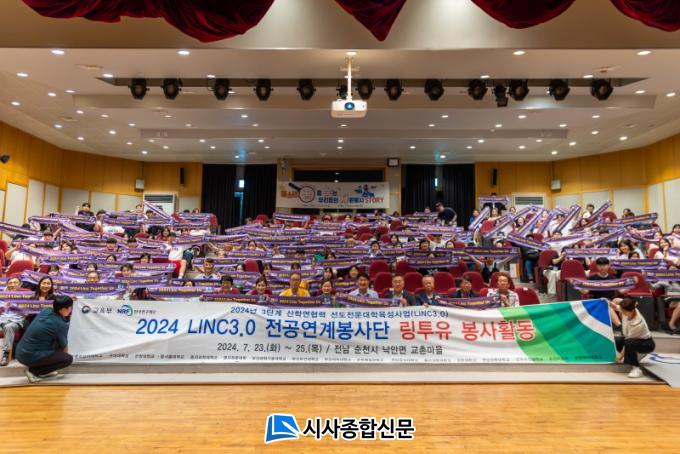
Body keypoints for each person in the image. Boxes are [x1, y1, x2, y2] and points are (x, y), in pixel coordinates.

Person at [15, 295, 74, 383]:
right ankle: (33, 371)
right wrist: (61, 357)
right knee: (67, 359)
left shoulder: (46, 310)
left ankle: (43, 371)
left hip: (20, 352)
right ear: (62, 309)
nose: (71, 310)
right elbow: (64, 346)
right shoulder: (60, 324)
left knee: (56, 343)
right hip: (29, 356)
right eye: (70, 308)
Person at [613, 298, 655, 378]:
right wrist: (606, 301)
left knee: (629, 343)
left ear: (631, 310)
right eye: (621, 310)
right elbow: (615, 307)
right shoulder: (628, 310)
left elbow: (627, 342)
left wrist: (620, 356)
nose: (622, 312)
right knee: (615, 340)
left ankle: (636, 368)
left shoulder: (637, 323)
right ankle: (631, 356)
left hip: (646, 343)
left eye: (623, 311)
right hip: (634, 340)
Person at [0, 278, 27, 366]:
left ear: (20, 285)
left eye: (15, 283)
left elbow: (26, 315)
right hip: (2, 320)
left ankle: (6, 354)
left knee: (9, 327)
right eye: (10, 283)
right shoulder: (2, 297)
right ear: (7, 285)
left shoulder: (25, 297)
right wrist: (4, 307)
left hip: (15, 321)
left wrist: (14, 307)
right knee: (6, 326)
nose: (12, 284)